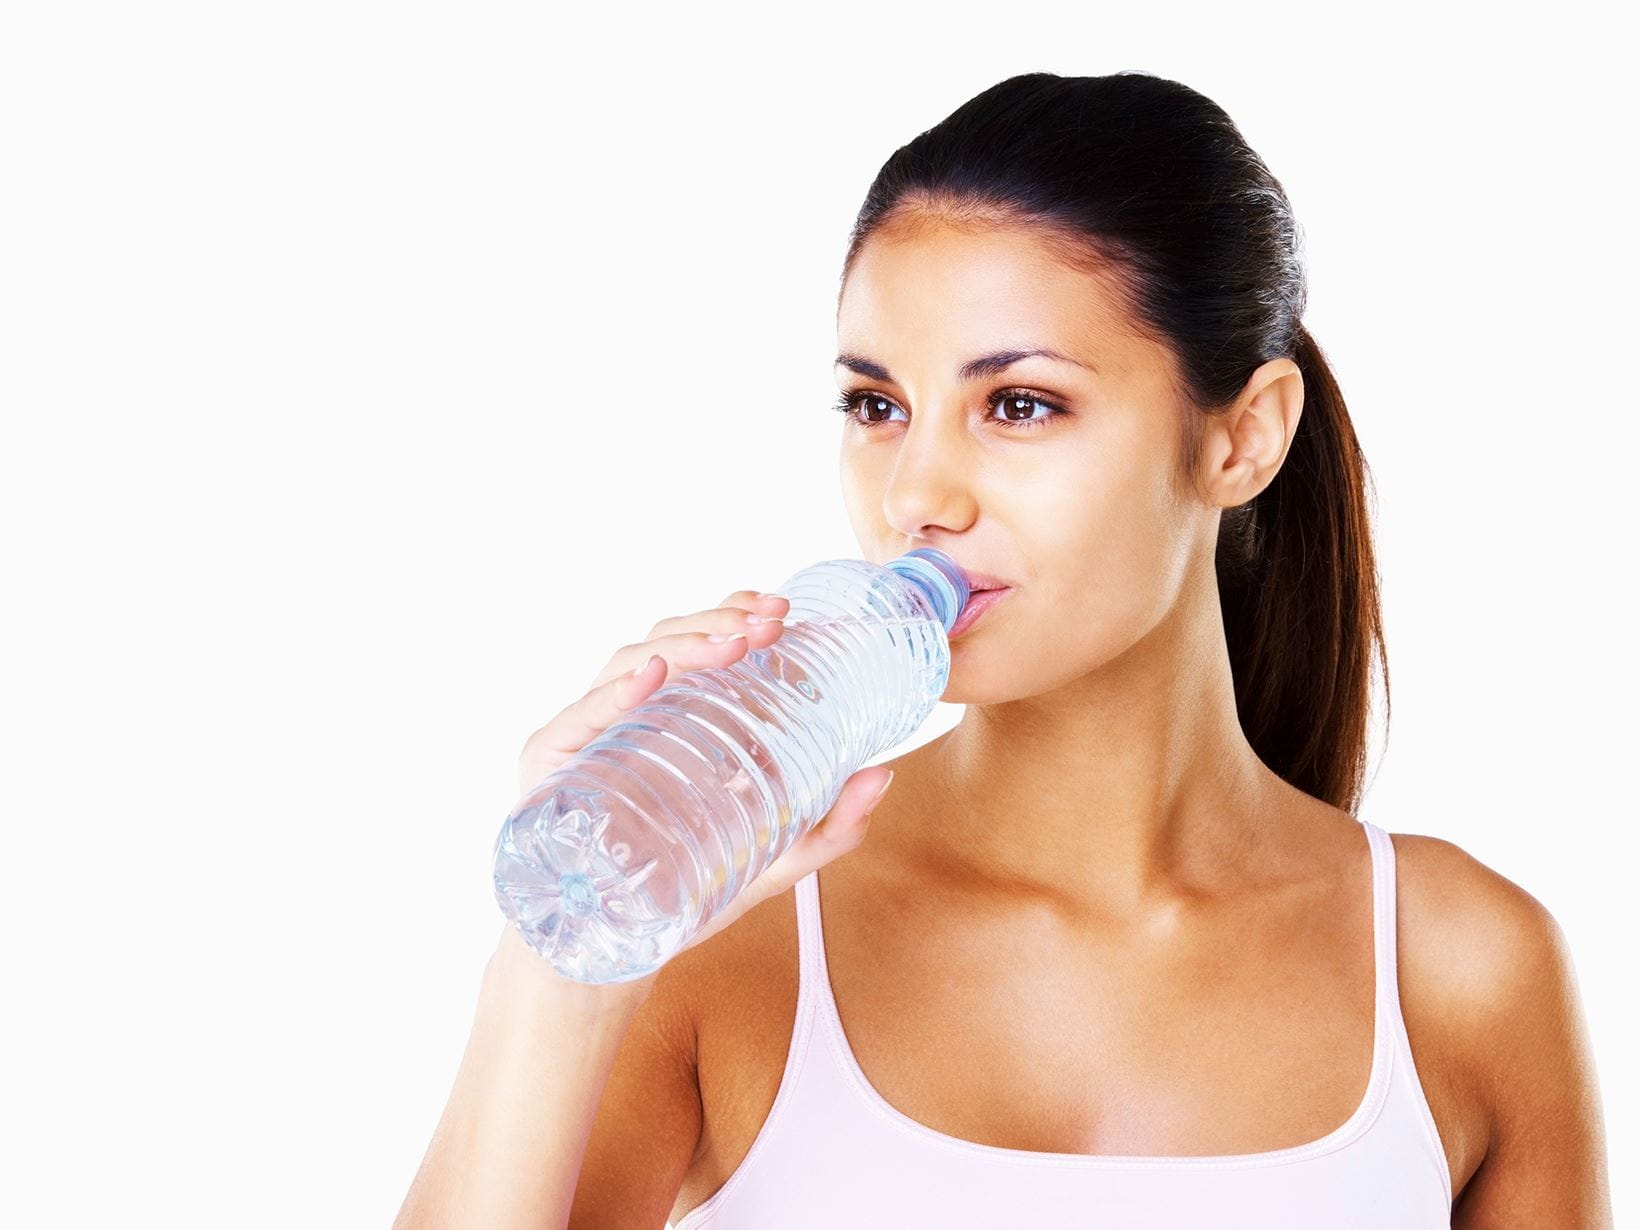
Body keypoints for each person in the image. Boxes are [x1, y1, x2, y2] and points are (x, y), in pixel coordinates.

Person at [392, 71, 1612, 1229]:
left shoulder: (1459, 971)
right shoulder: (734, 933)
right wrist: (559, 964)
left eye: (1018, 404)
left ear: (1241, 440)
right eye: (875, 406)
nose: (916, 492)